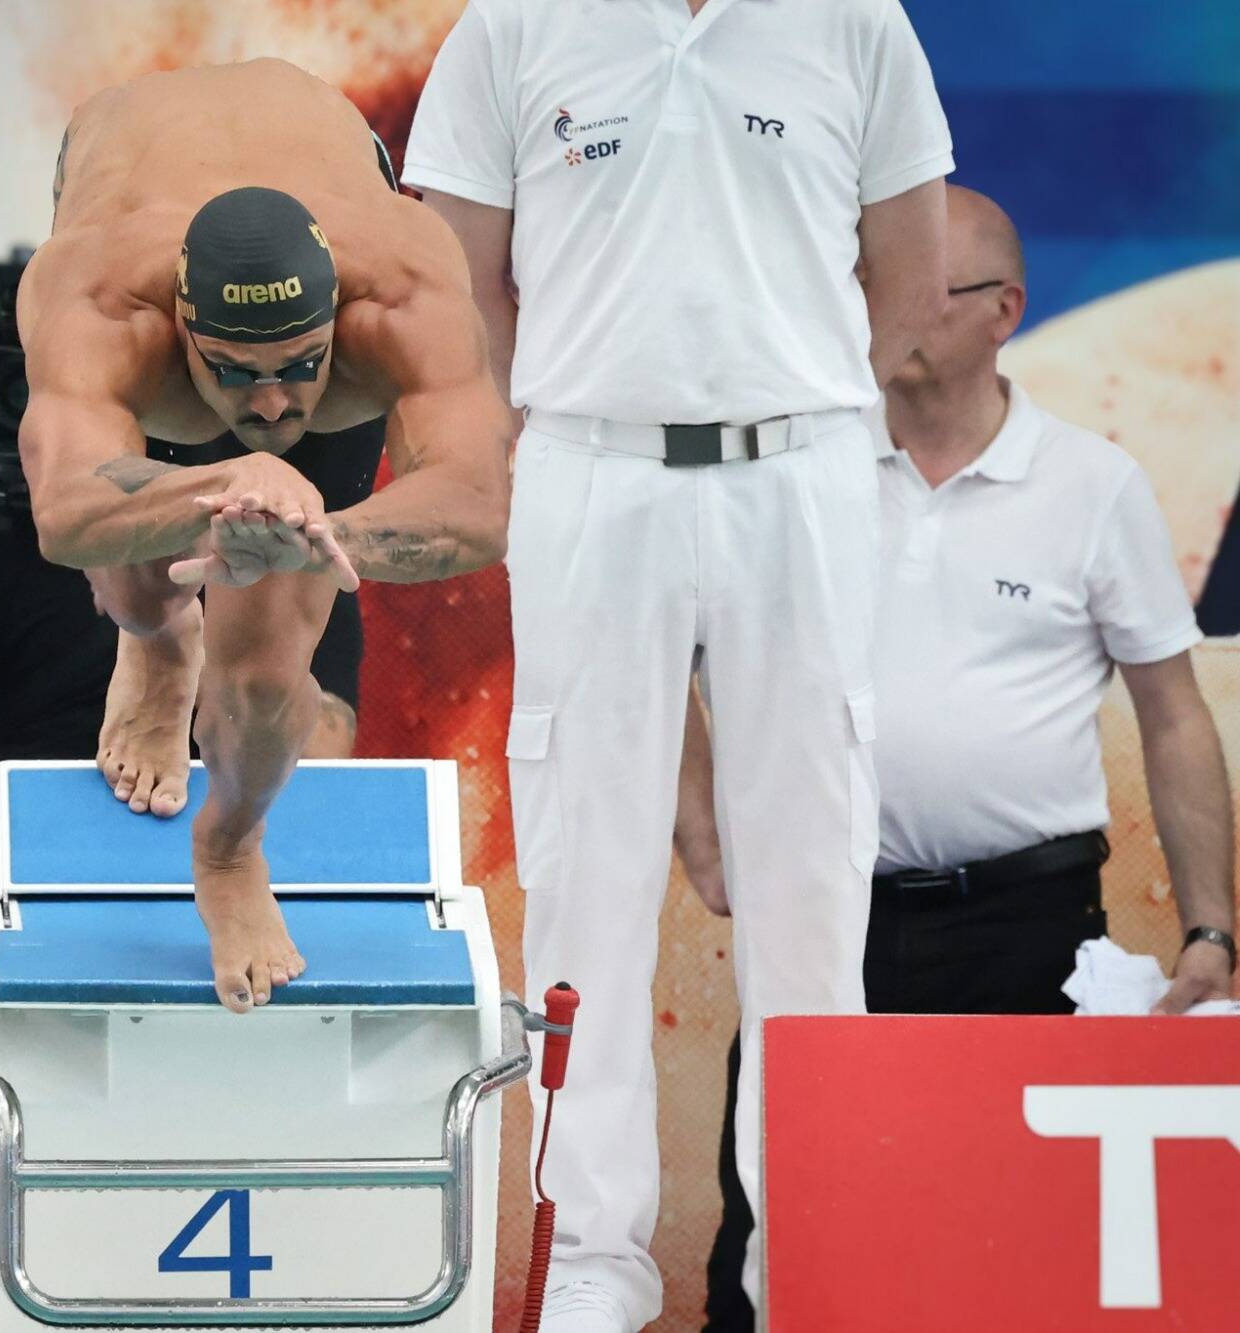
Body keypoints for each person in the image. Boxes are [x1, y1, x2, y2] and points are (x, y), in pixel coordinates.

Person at [403, 1, 953, 1326]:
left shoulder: (854, 21)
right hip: (592, 467)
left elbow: (914, 270)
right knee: (584, 860)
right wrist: (574, 397)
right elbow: (456, 279)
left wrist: (797, 388)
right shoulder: (513, 27)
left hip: (804, 467)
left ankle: (810, 1245)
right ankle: (595, 1251)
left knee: (811, 874)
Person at [691, 184, 1237, 1333]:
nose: (873, 310)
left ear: (1001, 311)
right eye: (861, 282)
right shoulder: (787, 478)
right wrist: (700, 827)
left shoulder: (1091, 488)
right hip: (822, 925)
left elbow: (1173, 714)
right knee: (774, 1252)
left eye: (906, 286)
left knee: (1015, 1264)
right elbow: (667, 650)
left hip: (1021, 930)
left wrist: (1207, 929)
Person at [0, 442, 374, 1329]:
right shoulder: (21, 539)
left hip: (201, 975)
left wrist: (193, 662)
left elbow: (321, 759)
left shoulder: (284, 548)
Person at [18, 58, 511, 1016]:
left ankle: (230, 844)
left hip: (317, 174)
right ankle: (158, 642)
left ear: (338, 321)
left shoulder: (400, 292)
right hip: (122, 181)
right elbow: (67, 510)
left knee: (264, 661)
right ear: (182, 329)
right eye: (238, 372)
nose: (276, 400)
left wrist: (317, 537)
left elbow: (478, 505)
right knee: (130, 579)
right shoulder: (100, 301)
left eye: (300, 365)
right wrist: (228, 480)